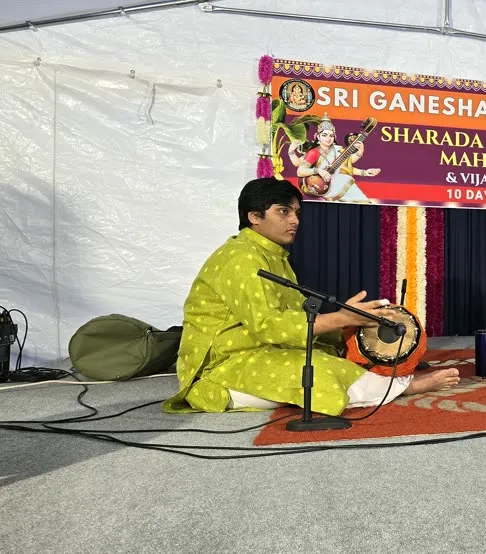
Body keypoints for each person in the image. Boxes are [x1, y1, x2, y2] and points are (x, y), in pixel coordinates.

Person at [164, 177, 458, 415]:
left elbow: (296, 315)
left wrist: (347, 328)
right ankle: (403, 387)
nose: (294, 220)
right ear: (254, 216)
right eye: (283, 211)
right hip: (221, 370)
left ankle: (382, 381)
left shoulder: (272, 255)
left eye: (296, 213)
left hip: (259, 351)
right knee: (318, 370)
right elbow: (268, 326)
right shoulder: (241, 258)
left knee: (329, 353)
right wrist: (340, 317)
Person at [295, 114, 371, 202]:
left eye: (331, 136)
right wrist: (318, 171)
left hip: (341, 182)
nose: (328, 138)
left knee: (364, 202)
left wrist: (359, 153)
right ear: (318, 137)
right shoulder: (314, 152)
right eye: (324, 135)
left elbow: (348, 162)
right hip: (325, 186)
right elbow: (300, 171)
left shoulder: (338, 149)